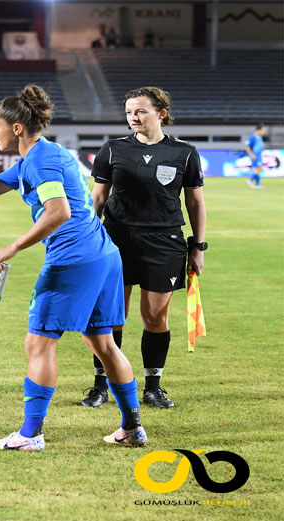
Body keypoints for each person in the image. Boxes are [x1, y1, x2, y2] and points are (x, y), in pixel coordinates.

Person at [0, 85, 148, 450]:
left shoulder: (41, 161)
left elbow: (60, 212)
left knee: (38, 343)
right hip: (103, 256)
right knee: (103, 344)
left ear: (15, 128)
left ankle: (30, 435)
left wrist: (10, 247)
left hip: (74, 260)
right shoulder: (41, 156)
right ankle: (132, 428)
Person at [80, 87, 206, 409]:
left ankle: (153, 387)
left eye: (140, 111)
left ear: (160, 113)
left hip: (165, 242)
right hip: (117, 239)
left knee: (154, 317)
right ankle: (101, 386)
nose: (133, 118)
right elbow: (97, 198)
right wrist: (83, 239)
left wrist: (198, 246)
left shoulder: (184, 153)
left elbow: (194, 201)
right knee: (111, 316)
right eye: (128, 112)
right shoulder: (112, 150)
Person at [245, 123, 266, 189]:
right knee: (260, 169)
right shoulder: (252, 137)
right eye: (263, 130)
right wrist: (251, 154)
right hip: (255, 156)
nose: (263, 131)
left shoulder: (260, 138)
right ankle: (250, 180)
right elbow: (247, 147)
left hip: (259, 156)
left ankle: (257, 184)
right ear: (259, 130)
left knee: (258, 169)